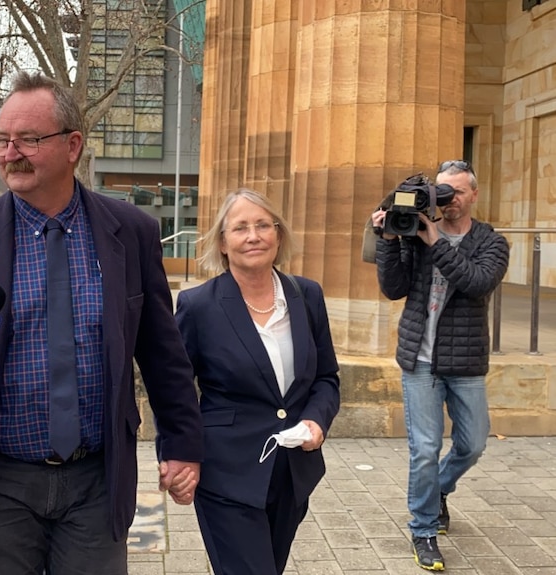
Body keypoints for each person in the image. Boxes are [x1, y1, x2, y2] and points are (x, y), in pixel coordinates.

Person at [0, 71, 203, 574]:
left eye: (28, 139)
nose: (9, 153)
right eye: (2, 140)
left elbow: (162, 352)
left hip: (97, 478)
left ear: (72, 146)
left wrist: (181, 446)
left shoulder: (130, 233)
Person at [174, 189, 340, 575]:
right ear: (223, 242)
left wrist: (317, 420)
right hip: (225, 473)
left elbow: (327, 377)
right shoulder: (198, 305)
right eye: (240, 228)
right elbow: (175, 390)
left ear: (279, 235)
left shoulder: (307, 295)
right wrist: (178, 456)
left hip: (292, 473)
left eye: (263, 225)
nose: (253, 236)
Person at [371, 161, 509, 572]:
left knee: (473, 444)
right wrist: (387, 237)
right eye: (442, 193)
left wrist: (435, 243)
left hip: (465, 361)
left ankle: (438, 491)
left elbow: (477, 282)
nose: (449, 201)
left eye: (457, 193)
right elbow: (393, 288)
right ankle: (424, 529)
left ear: (474, 195)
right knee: (425, 449)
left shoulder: (491, 241)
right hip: (420, 360)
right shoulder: (415, 232)